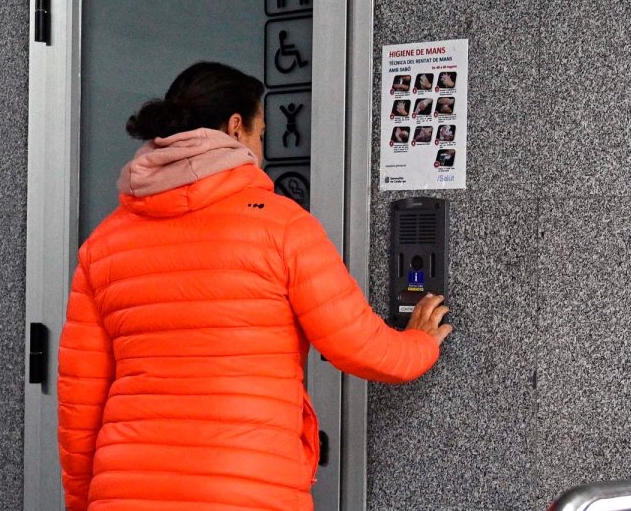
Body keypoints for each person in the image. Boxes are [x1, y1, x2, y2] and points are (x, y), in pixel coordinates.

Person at [58, 62, 451, 511]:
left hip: (126, 491)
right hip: (248, 489)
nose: (261, 151)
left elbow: (80, 400)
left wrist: (81, 501)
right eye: (261, 134)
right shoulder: (281, 226)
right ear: (236, 127)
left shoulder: (104, 244)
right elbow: (358, 345)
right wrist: (420, 343)